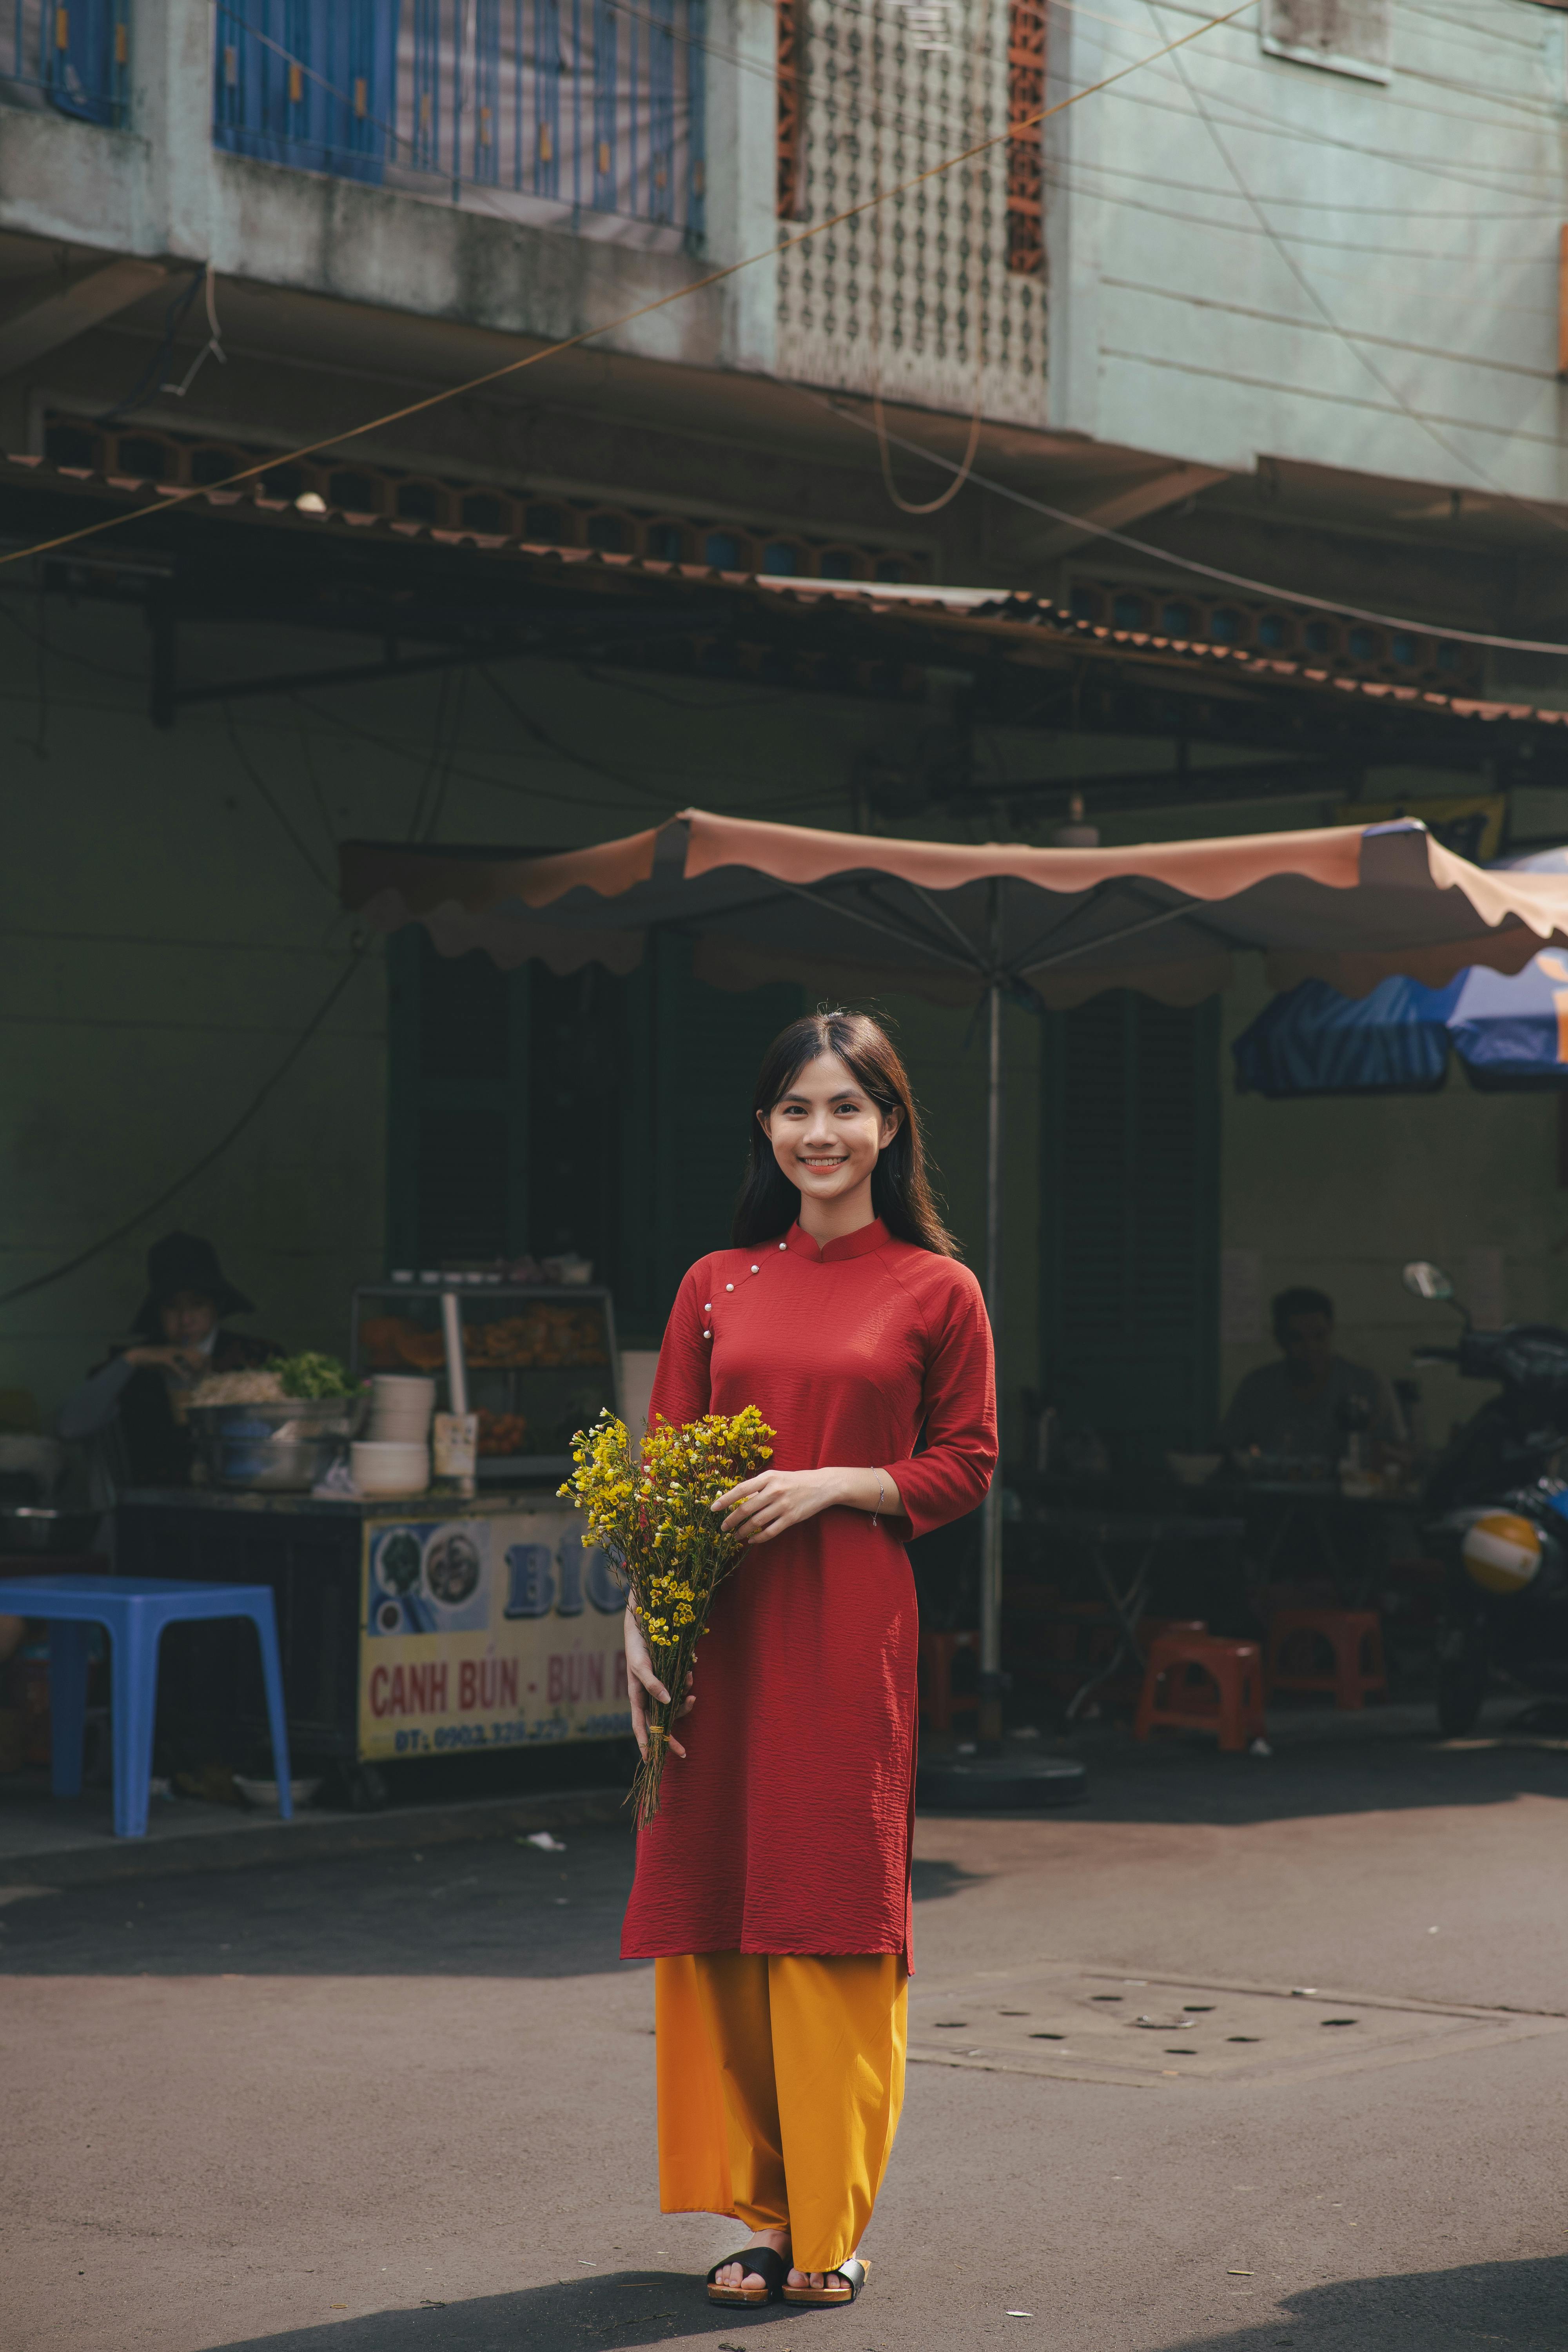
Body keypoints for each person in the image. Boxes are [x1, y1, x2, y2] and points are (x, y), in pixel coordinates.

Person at [620, 1010, 996, 2314]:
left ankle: (829, 2224)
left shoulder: (936, 1289)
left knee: (830, 1905)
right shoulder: (715, 1281)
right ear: (767, 1129)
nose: (819, 1133)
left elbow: (968, 1464)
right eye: (795, 1109)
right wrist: (640, 1617)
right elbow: (665, 1471)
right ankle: (761, 2214)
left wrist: (834, 1483)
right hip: (717, 1629)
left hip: (848, 1633)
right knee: (725, 1901)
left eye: (846, 1108)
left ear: (890, 1127)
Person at [57, 1232, 281, 1488]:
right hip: (155, 1515)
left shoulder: (255, 1357)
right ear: (158, 1312)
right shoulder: (134, 1368)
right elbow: (69, 1427)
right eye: (173, 1307)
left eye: (197, 1305)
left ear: (216, 1306)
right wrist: (134, 1359)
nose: (186, 1320)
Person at [1219, 1285, 1405, 1468]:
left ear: (1331, 1330)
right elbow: (1226, 1450)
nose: (1310, 1348)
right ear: (1280, 1339)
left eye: (1319, 1336)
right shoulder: (1258, 1387)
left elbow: (1400, 1452)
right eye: (1297, 1338)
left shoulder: (1367, 1385)